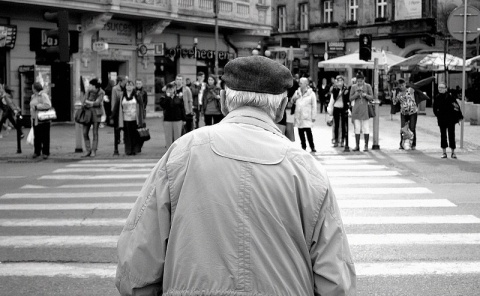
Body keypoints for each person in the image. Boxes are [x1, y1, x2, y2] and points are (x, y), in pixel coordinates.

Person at [115, 55, 356, 296]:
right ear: (282, 109)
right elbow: (336, 281)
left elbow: (136, 267)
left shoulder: (182, 154)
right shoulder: (307, 169)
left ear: (222, 101)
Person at [116, 80, 145, 155]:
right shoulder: (122, 95)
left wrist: (142, 118)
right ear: (125, 87)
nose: (129, 87)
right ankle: (128, 150)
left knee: (135, 134)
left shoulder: (137, 95)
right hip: (125, 118)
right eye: (127, 85)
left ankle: (134, 149)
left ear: (133, 86)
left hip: (135, 118)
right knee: (127, 135)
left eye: (130, 85)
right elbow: (119, 106)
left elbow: (141, 106)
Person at [349, 72, 373, 151]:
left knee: (366, 127)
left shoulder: (368, 86)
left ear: (363, 80)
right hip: (356, 109)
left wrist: (365, 95)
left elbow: (372, 97)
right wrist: (356, 94)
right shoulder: (353, 87)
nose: (359, 83)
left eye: (361, 81)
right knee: (357, 128)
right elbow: (350, 98)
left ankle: (366, 145)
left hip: (365, 109)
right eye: (358, 81)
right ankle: (357, 145)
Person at [292, 77, 317, 152]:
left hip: (307, 115)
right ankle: (303, 146)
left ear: (306, 84)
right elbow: (292, 101)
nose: (299, 84)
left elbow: (314, 105)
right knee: (300, 131)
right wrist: (295, 98)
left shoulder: (311, 93)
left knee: (308, 131)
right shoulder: (297, 92)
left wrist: (313, 116)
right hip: (299, 116)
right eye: (299, 82)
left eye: (301, 83)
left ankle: (312, 147)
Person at [81, 78, 104, 157]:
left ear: (95, 86)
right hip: (87, 113)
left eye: (90, 85)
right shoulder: (88, 91)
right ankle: (88, 150)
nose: (89, 86)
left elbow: (97, 103)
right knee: (85, 132)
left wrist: (89, 102)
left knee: (95, 133)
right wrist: (91, 103)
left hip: (96, 114)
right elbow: (83, 101)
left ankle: (94, 150)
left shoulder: (101, 92)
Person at [434, 83, 458, 159]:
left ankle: (453, 152)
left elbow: (456, 106)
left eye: (442, 87)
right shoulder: (437, 97)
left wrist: (456, 116)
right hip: (442, 119)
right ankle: (444, 152)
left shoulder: (450, 97)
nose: (440, 89)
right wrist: (438, 115)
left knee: (451, 135)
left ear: (445, 88)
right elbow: (434, 108)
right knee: (443, 135)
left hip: (450, 119)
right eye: (439, 87)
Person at [392, 78, 418, 150]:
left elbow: (416, 87)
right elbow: (394, 102)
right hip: (403, 112)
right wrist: (394, 94)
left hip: (412, 112)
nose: (401, 87)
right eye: (400, 86)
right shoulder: (399, 94)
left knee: (412, 128)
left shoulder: (410, 90)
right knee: (403, 128)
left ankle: (412, 144)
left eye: (403, 85)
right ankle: (402, 143)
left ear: (405, 84)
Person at [30, 82, 51, 159]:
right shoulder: (33, 96)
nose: (32, 89)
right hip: (35, 118)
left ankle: (45, 152)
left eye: (32, 88)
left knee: (45, 136)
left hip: (43, 118)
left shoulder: (43, 95)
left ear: (35, 88)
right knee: (37, 136)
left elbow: (48, 105)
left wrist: (37, 107)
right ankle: (37, 151)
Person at [159, 82, 184, 148]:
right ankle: (169, 152)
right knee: (168, 138)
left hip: (178, 120)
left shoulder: (179, 97)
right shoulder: (163, 98)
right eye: (168, 89)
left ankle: (177, 152)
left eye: (171, 89)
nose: (170, 90)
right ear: (166, 90)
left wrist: (184, 119)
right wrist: (168, 97)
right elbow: (163, 106)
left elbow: (182, 108)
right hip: (168, 120)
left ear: (174, 89)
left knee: (177, 138)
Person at [328, 75, 350, 147]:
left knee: (343, 125)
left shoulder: (346, 88)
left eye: (341, 80)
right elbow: (334, 97)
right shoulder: (334, 89)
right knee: (336, 125)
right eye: (338, 80)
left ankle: (342, 140)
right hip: (336, 107)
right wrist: (338, 88)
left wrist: (345, 92)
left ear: (343, 81)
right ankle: (336, 140)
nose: (340, 82)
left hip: (343, 108)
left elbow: (347, 99)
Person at [112, 76, 127, 155]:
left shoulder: (126, 88)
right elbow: (113, 101)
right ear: (121, 81)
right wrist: (113, 113)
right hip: (117, 112)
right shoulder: (115, 89)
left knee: (126, 131)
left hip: (125, 112)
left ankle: (127, 148)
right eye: (125, 80)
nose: (126, 82)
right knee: (117, 131)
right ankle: (116, 149)